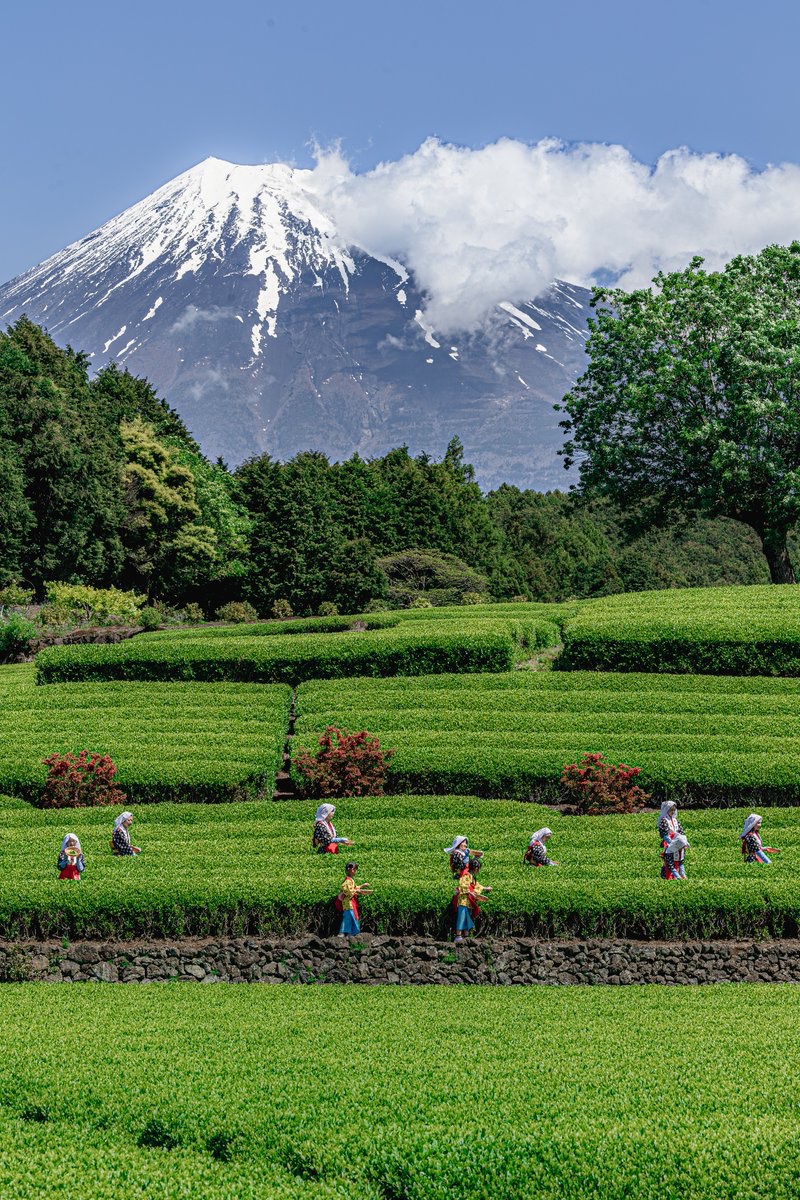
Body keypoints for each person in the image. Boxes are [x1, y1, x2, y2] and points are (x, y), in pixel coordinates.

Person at [453, 857, 493, 943]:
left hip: (468, 901)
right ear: (476, 868)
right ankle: (458, 935)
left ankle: (466, 935)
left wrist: (486, 888)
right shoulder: (466, 875)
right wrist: (470, 892)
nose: (478, 871)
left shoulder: (472, 877)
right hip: (463, 900)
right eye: (478, 869)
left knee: (467, 917)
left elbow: (476, 886)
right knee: (462, 917)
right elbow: (462, 885)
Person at [335, 862, 372, 937]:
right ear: (350, 870)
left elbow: (354, 888)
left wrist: (362, 886)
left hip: (350, 903)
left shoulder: (350, 880)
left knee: (349, 918)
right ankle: (344, 933)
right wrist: (357, 891)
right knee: (350, 917)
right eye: (354, 869)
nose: (355, 871)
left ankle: (348, 933)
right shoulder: (347, 881)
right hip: (348, 903)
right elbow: (348, 891)